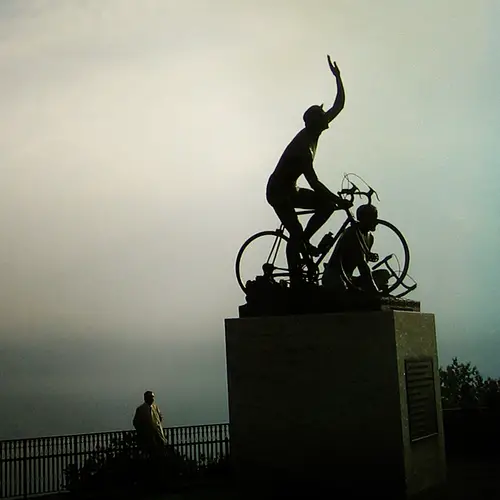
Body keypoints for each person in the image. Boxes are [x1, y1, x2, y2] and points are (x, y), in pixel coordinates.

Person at [266, 55, 352, 287]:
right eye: (323, 118)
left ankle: (306, 242)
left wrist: (338, 78)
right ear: (313, 122)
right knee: (296, 233)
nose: (328, 121)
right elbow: (314, 183)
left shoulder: (315, 132)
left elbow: (339, 105)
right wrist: (338, 200)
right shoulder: (303, 147)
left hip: (290, 189)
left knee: (326, 206)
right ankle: (296, 276)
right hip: (278, 192)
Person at [322, 204, 390, 293]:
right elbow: (362, 265)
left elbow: (364, 263)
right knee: (341, 288)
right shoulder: (352, 233)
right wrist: (374, 290)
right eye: (373, 218)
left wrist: (369, 255)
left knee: (383, 274)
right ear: (365, 219)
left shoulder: (370, 237)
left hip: (349, 278)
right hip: (335, 277)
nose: (376, 221)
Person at [133, 390, 167, 457]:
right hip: (147, 438)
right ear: (146, 398)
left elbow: (160, 418)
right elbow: (136, 422)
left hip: (158, 437)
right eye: (151, 397)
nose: (152, 399)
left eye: (153, 397)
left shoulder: (155, 407)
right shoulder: (140, 409)